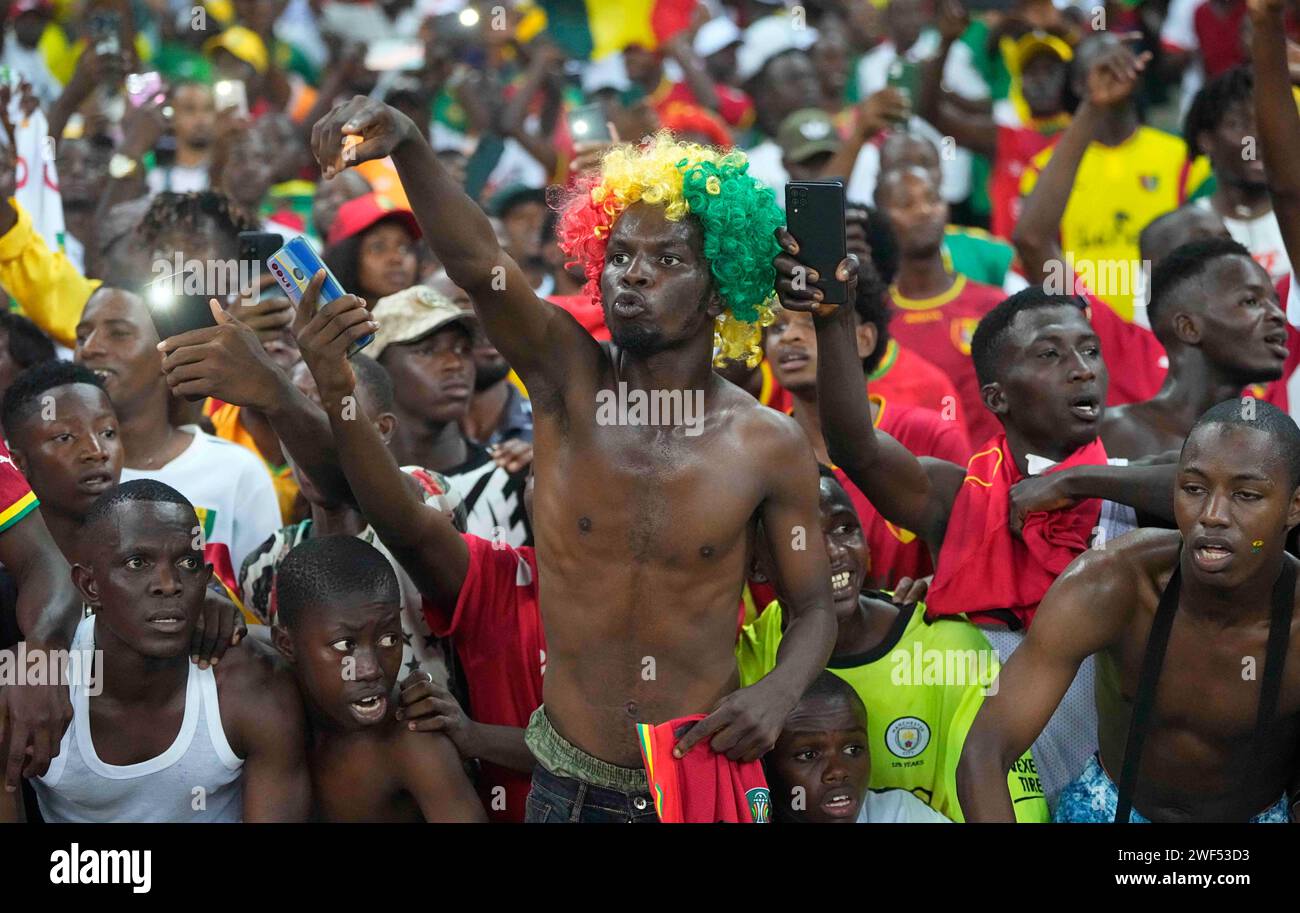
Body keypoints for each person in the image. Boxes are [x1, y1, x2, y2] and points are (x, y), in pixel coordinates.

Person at [309, 100, 838, 822]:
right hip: (565, 787)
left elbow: (813, 609)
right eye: (619, 255)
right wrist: (410, 146)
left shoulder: (769, 443)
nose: (633, 276)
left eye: (667, 259)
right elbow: (478, 263)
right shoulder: (565, 382)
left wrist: (776, 693)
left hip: (699, 786)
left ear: (719, 286)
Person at [960, 400, 1300, 823]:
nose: (1212, 516)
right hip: (1107, 810)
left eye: (1246, 495)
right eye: (1193, 489)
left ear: (1294, 506)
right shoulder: (1112, 583)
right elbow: (985, 751)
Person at [738, 468, 1047, 821]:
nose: (834, 552)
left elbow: (1014, 803)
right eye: (801, 539)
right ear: (757, 565)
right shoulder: (745, 662)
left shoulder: (946, 647)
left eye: (844, 528)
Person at [0, 480, 310, 823]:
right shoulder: (26, 690)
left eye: (187, 564)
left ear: (207, 580)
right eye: (137, 562)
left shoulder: (253, 687)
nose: (168, 583)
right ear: (90, 586)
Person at [764, 273, 969, 586]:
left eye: (810, 323)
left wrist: (929, 587)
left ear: (864, 339)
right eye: (777, 327)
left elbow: (971, 551)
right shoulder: (762, 451)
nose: (789, 336)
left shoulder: (930, 435)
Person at [74, 284, 282, 590]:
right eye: (82, 336)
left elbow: (270, 614)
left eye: (118, 333)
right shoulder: (61, 470)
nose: (90, 348)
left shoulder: (236, 470)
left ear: (169, 354)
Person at [270, 534, 486, 822]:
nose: (371, 669)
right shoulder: (267, 695)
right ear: (287, 645)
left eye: (388, 639)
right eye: (345, 646)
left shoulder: (413, 741)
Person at [1014, 35, 1211, 322]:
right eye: (1101, 68)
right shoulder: (1045, 171)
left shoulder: (1183, 158)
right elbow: (1032, 251)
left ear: (1138, 74)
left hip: (1170, 325)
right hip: (1084, 328)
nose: (1112, 75)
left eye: (1121, 64)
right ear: (1078, 84)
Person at [1099, 237, 1288, 458]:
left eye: (1275, 302)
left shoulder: (1276, 448)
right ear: (1188, 328)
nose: (1278, 314)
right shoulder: (1104, 437)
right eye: (1251, 301)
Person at [875, 164, 1006, 445]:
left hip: (995, 476)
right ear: (881, 218)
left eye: (932, 199)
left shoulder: (994, 305)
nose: (923, 211)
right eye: (905, 203)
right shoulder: (875, 319)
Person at [765, 671, 949, 823]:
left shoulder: (895, 813)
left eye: (852, 750)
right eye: (809, 755)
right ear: (766, 767)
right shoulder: (743, 816)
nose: (838, 771)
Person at [1187, 66, 1290, 282]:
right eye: (1239, 125)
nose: (1255, 139)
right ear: (1206, 141)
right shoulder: (1186, 231)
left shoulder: (1295, 213)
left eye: (1264, 122)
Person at [321, 192, 422, 306]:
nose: (396, 258)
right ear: (345, 257)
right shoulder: (325, 322)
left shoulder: (436, 318)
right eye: (378, 247)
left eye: (404, 247)